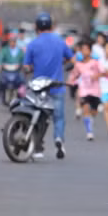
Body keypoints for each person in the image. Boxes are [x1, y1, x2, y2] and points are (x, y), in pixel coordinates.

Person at [23, 12, 74, 160]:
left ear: (36, 27)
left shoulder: (32, 44)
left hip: (39, 89)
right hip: (57, 87)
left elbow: (26, 67)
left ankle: (38, 148)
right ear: (51, 26)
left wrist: (31, 70)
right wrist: (64, 65)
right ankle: (59, 139)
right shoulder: (60, 41)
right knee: (58, 118)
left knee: (39, 118)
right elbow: (72, 60)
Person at [69, 39, 102, 141]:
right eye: (82, 50)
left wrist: (96, 76)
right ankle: (89, 132)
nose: (84, 52)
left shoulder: (95, 62)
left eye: (86, 50)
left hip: (95, 91)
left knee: (94, 112)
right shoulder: (78, 64)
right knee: (86, 108)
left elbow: (102, 72)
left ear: (90, 51)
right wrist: (70, 81)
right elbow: (73, 75)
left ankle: (90, 120)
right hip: (84, 90)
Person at [0, 30, 25, 101]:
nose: (12, 43)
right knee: (1, 81)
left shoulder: (20, 51)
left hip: (16, 71)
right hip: (6, 70)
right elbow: (0, 58)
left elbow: (24, 60)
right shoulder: (4, 50)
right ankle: (0, 95)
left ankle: (22, 96)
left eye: (14, 41)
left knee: (22, 81)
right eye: (11, 41)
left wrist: (24, 66)